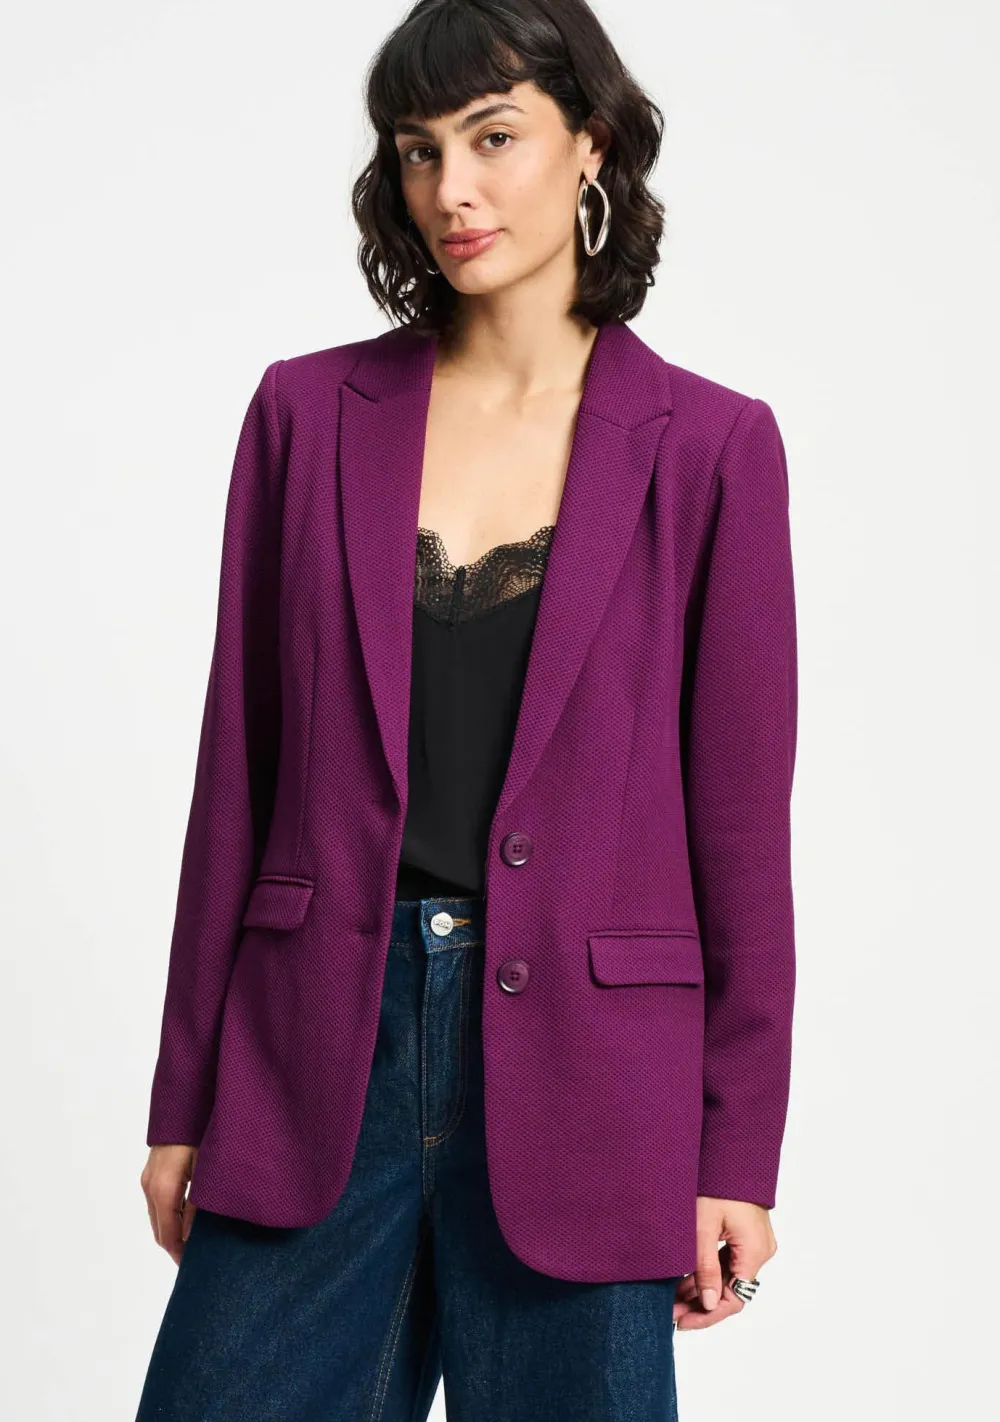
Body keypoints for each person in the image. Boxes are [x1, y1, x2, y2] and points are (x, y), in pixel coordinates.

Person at [135, 1, 797, 1418]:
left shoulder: (712, 449)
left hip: (593, 1084)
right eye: (420, 148)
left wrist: (734, 1148)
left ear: (590, 146)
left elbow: (741, 831)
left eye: (495, 137)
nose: (453, 189)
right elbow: (236, 776)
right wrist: (183, 1095)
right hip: (318, 1051)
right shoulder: (307, 417)